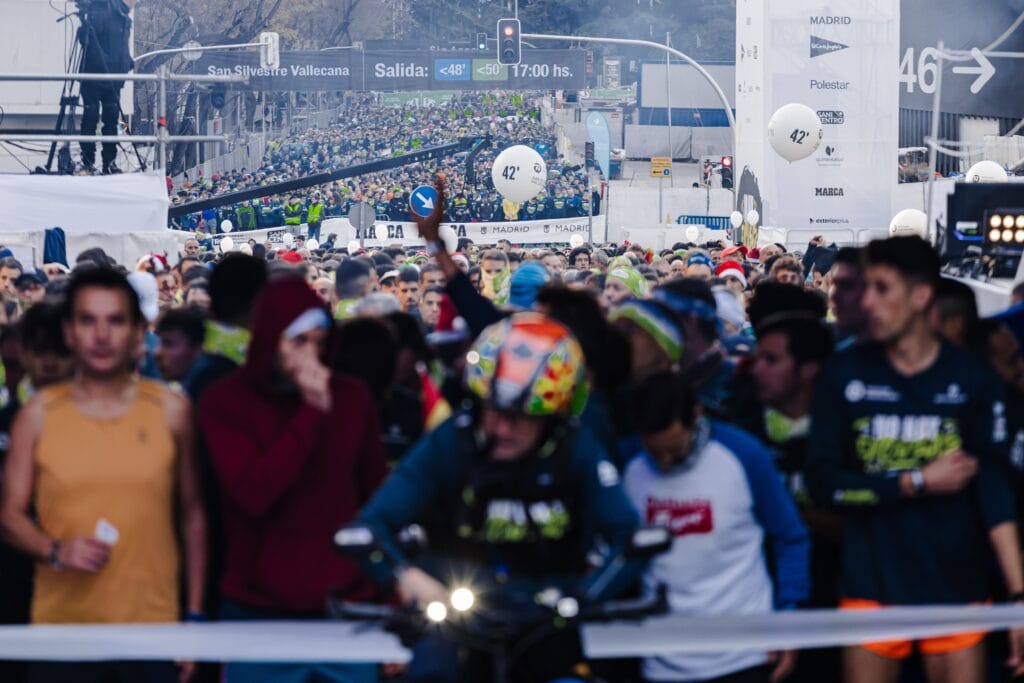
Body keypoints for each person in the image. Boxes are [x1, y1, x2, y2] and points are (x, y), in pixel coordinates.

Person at [356, 313, 642, 683]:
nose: (503, 428)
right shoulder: (451, 440)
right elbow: (370, 527)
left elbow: (629, 537)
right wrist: (407, 578)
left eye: (520, 417)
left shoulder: (577, 449)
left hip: (548, 622)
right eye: (493, 411)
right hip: (456, 623)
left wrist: (585, 596)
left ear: (553, 416)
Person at [806, 236, 1024, 683]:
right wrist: (913, 483)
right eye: (865, 288)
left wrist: (1019, 596)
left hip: (957, 589)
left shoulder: (973, 378)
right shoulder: (844, 375)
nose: (866, 302)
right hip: (871, 588)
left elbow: (995, 491)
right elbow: (824, 483)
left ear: (921, 295)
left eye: (881, 289)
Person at [0, 267, 206, 683]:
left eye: (115, 320)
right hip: (61, 630)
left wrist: (195, 617)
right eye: (87, 320)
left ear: (137, 333)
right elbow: (9, 516)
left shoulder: (173, 412)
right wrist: (54, 550)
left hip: (153, 629)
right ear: (70, 331)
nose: (101, 335)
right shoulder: (35, 418)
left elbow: (194, 515)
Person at [199, 276, 388, 683]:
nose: (311, 356)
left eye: (320, 343)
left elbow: (377, 499)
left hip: (344, 607)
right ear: (270, 339)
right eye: (298, 342)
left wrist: (388, 598)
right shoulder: (226, 401)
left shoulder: (351, 398)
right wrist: (311, 413)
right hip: (257, 608)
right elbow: (253, 493)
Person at [625, 372, 809, 683]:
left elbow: (790, 537)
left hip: (744, 655)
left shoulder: (745, 455)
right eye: (655, 453)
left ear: (696, 415)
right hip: (660, 659)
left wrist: (788, 618)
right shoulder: (627, 462)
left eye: (675, 450)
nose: (666, 464)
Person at [76, 0, 135, 175]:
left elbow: (121, 48)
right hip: (97, 75)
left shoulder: (122, 16)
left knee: (109, 120)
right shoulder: (104, 11)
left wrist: (126, 64)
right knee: (92, 118)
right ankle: (90, 162)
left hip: (113, 77)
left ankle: (107, 162)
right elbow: (89, 43)